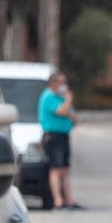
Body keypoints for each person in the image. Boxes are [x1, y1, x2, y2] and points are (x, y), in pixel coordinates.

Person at [38, 69, 82, 210]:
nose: (65, 86)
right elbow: (62, 111)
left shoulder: (61, 98)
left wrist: (69, 110)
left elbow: (73, 115)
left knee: (65, 169)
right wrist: (69, 100)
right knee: (56, 169)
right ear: (53, 83)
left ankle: (69, 199)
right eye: (62, 83)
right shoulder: (48, 97)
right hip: (53, 136)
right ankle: (58, 201)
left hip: (63, 135)